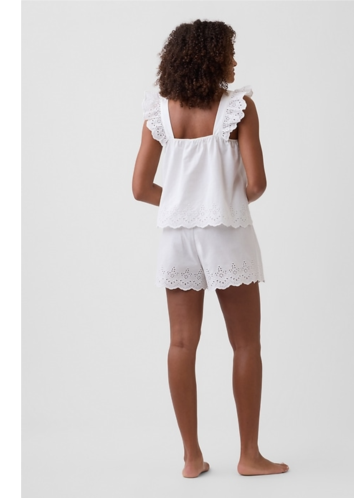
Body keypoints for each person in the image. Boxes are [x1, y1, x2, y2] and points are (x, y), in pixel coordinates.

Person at [132, 20, 289, 479]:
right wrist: (216, 202)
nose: (234, 61)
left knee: (181, 343)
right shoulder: (239, 108)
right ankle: (249, 456)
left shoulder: (159, 112)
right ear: (211, 57)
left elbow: (140, 188)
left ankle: (191, 458)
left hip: (177, 237)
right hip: (226, 232)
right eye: (228, 52)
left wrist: (184, 204)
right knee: (246, 343)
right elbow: (257, 184)